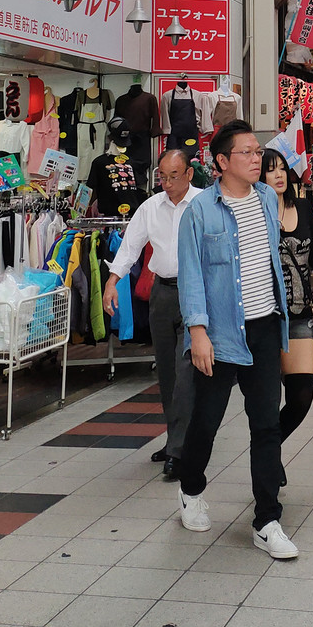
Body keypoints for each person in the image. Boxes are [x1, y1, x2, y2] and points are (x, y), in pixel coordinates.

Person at [176, 120, 298, 560]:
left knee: (266, 424)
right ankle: (191, 491)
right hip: (220, 333)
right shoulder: (200, 212)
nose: (256, 159)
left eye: (257, 151)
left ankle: (267, 520)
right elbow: (191, 275)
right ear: (222, 161)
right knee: (206, 423)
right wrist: (198, 332)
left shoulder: (267, 198)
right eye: (246, 152)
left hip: (265, 327)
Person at [103, 148, 200, 479]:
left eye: (174, 176)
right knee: (168, 373)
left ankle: (178, 449)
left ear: (189, 174)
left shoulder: (203, 204)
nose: (168, 183)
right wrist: (113, 281)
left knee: (186, 371)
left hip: (194, 294)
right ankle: (176, 438)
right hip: (161, 293)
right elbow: (130, 247)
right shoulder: (149, 207)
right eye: (162, 176)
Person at [261, 148, 313, 444]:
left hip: (299, 315)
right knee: (266, 401)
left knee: (301, 397)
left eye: (282, 168)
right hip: (265, 317)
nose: (279, 174)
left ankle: (269, 449)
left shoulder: (303, 206)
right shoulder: (254, 212)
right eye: (271, 170)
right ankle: (268, 461)